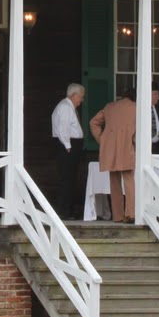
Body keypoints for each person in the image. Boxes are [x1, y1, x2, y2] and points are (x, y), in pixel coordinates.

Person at [89, 90, 137, 222]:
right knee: (129, 180)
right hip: (127, 146)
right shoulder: (135, 107)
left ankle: (117, 216)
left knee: (114, 181)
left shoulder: (109, 107)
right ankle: (131, 213)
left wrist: (102, 140)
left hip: (110, 148)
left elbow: (93, 122)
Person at [50, 83, 86, 219]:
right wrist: (68, 146)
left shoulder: (66, 106)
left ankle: (68, 209)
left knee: (69, 178)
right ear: (74, 95)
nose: (81, 100)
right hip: (68, 146)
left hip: (69, 145)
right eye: (81, 97)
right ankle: (65, 211)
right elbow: (63, 128)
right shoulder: (65, 107)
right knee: (67, 179)